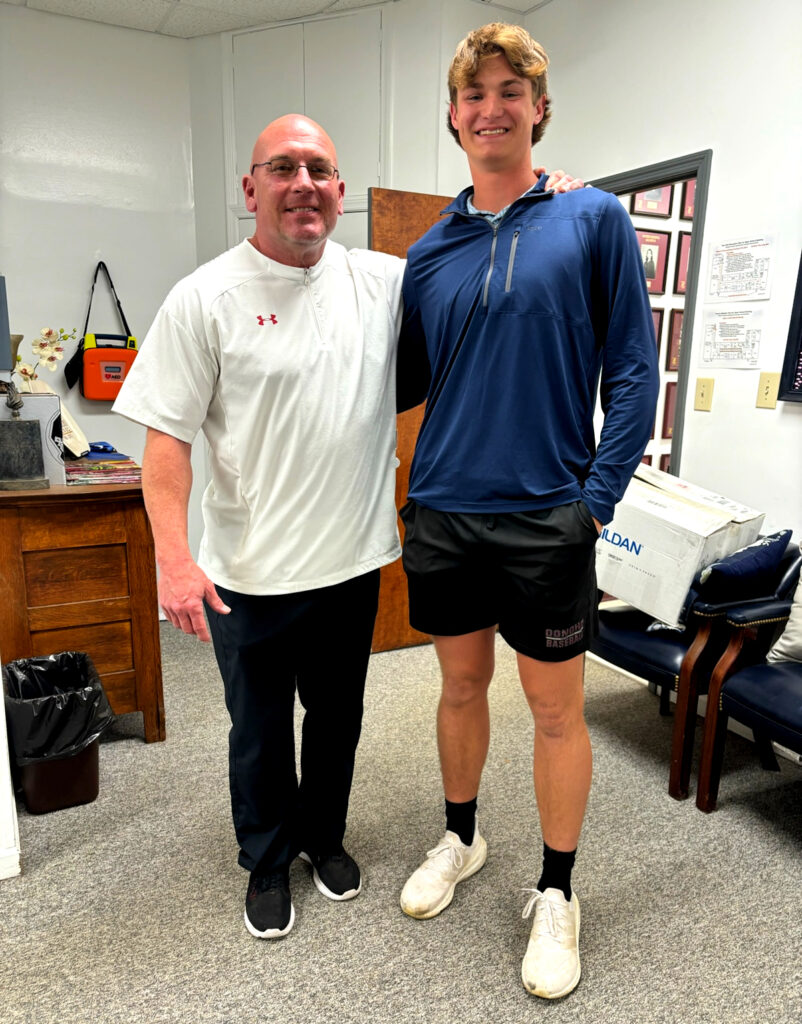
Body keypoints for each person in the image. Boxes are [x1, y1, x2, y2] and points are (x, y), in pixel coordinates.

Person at [113, 112, 581, 942]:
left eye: (320, 171)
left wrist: (550, 200)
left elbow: (476, 261)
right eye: (283, 169)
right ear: (249, 188)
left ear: (339, 193)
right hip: (246, 574)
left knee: (336, 722)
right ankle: (265, 857)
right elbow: (166, 445)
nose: (304, 185)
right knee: (259, 735)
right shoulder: (204, 298)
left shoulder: (384, 279)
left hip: (351, 564)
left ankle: (322, 839)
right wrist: (174, 561)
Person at [396, 24, 659, 1000]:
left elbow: (635, 371)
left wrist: (594, 505)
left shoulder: (590, 219)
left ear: (536, 109)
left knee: (554, 710)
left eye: (511, 91)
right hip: (445, 514)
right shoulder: (428, 251)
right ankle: (461, 837)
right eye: (474, 94)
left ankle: (556, 892)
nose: (491, 107)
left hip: (548, 516)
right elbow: (400, 383)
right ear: (454, 116)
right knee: (460, 689)